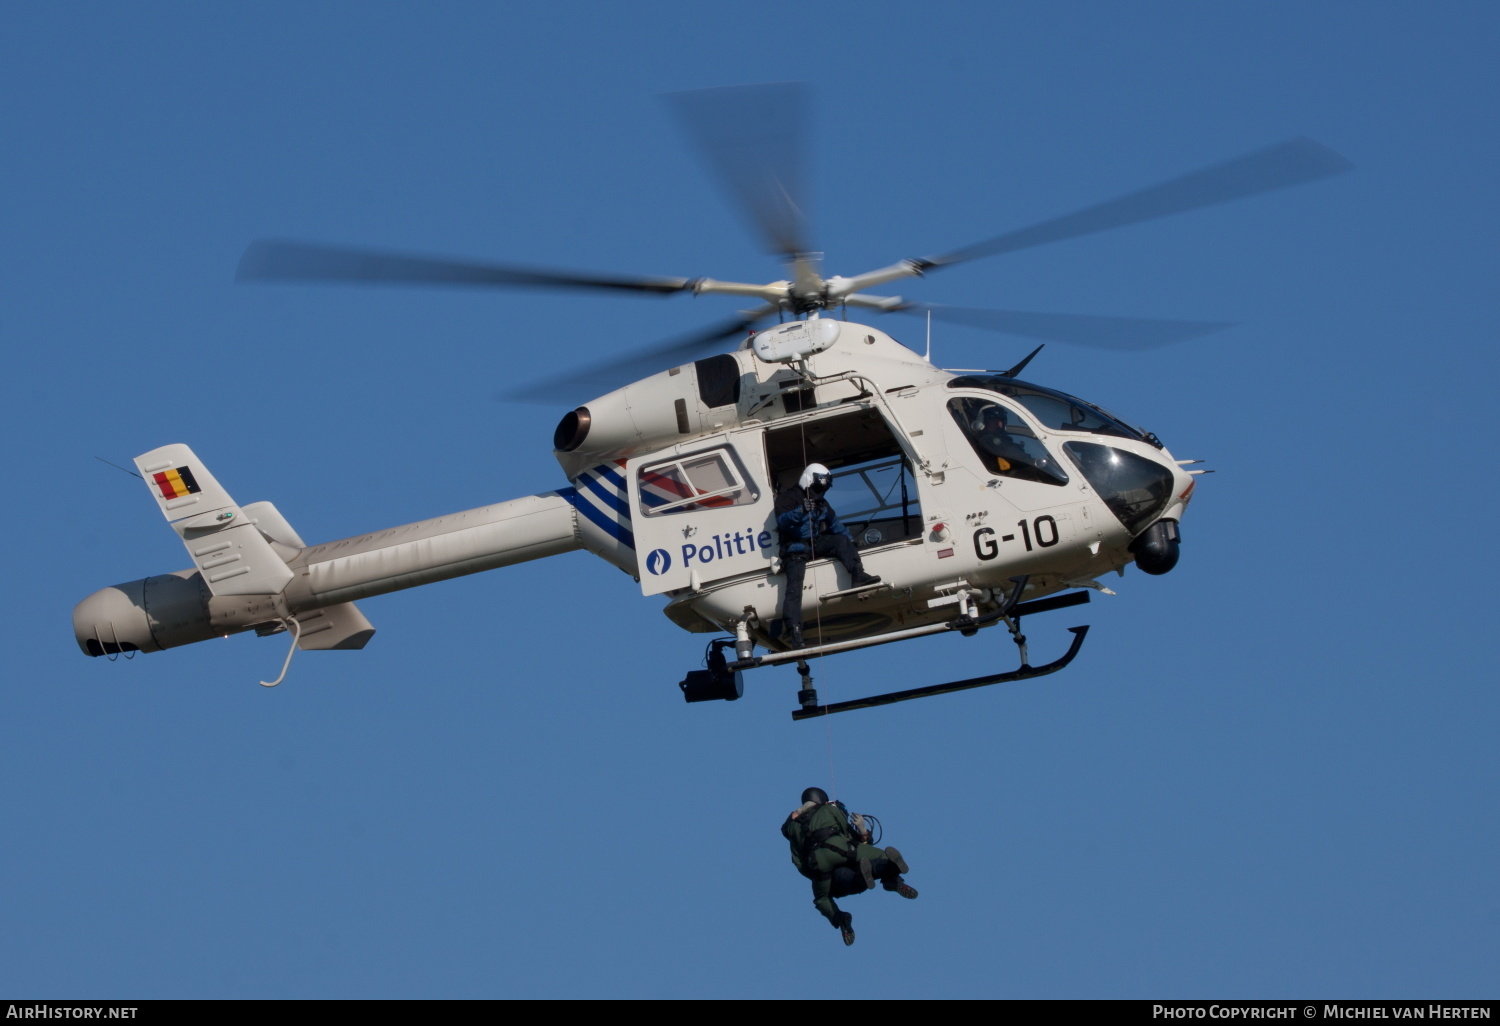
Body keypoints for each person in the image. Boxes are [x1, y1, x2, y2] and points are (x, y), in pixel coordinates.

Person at [781, 787, 918, 946]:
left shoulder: (792, 828)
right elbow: (846, 832)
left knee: (823, 898)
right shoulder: (828, 810)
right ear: (822, 799)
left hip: (819, 868)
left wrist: (815, 875)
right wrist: (863, 832)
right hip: (842, 851)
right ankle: (892, 878)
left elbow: (798, 861)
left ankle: (842, 919)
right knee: (882, 856)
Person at [774, 463, 880, 650]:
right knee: (794, 591)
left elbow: (835, 524)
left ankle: (858, 575)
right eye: (818, 487)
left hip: (815, 544)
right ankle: (795, 630)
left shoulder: (822, 504)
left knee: (840, 540)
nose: (820, 491)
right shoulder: (787, 498)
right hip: (795, 548)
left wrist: (850, 543)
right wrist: (801, 511)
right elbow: (782, 521)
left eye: (823, 488)